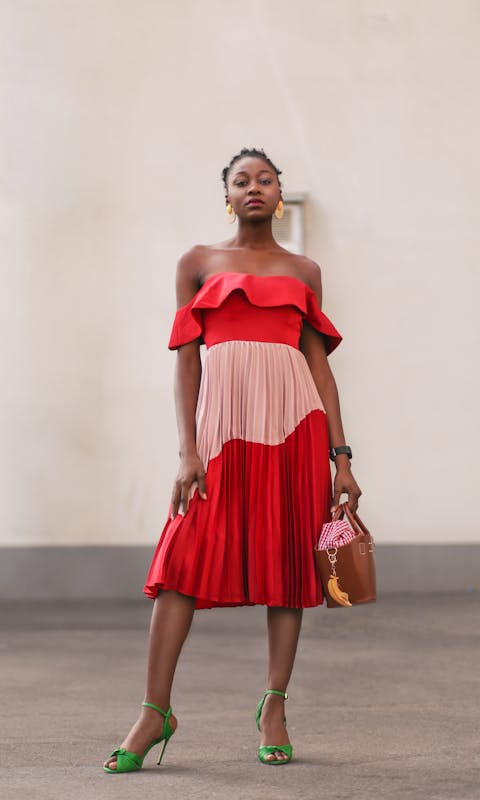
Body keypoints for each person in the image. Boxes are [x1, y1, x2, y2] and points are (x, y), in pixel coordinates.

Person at [103, 147, 362, 772]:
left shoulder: (305, 270)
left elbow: (318, 366)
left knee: (289, 566)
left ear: (280, 195)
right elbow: (186, 362)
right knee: (181, 562)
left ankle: (274, 704)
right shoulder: (197, 263)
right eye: (242, 180)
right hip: (220, 435)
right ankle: (154, 711)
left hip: (295, 430)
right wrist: (188, 451)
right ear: (228, 194)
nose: (254, 188)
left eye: (265, 180)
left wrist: (342, 459)